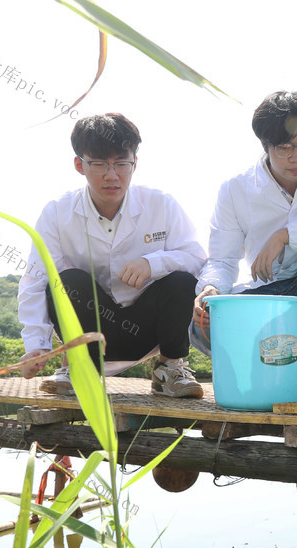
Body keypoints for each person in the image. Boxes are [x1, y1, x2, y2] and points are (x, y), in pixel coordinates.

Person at [190, 91, 297, 401]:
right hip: (269, 297)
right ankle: (270, 366)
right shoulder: (236, 189)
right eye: (284, 148)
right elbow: (223, 259)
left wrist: (286, 234)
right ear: (265, 146)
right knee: (198, 324)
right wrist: (211, 290)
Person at [18, 113, 206, 398]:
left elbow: (196, 258)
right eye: (99, 164)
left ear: (135, 163)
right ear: (79, 165)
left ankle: (171, 367)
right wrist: (36, 344)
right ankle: (80, 367)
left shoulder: (161, 204)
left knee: (181, 280)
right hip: (91, 330)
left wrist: (153, 263)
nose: (112, 175)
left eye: (121, 164)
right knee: (67, 281)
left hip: (147, 329)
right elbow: (36, 280)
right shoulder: (57, 213)